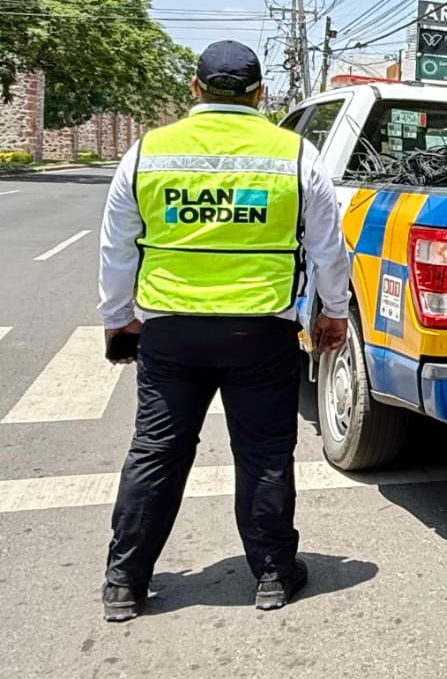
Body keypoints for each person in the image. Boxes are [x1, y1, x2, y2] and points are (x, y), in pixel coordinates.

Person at [97, 41, 351, 621]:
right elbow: (327, 248)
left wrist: (119, 320)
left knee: (156, 453)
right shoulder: (294, 154)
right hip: (260, 334)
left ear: (194, 88)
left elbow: (115, 249)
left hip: (170, 332)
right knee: (263, 455)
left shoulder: (147, 152)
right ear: (260, 94)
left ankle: (125, 582)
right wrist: (332, 312)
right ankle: (271, 575)